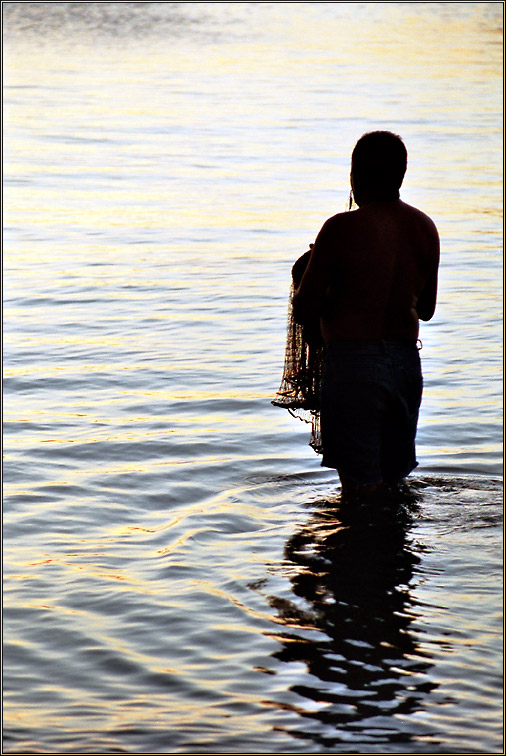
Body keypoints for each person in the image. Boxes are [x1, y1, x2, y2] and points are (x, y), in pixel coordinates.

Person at [293, 131, 440, 499]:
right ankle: (395, 553)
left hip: (354, 365)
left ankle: (357, 551)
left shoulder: (340, 228)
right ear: (401, 175)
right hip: (406, 364)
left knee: (359, 491)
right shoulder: (425, 228)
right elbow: (426, 309)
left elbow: (305, 304)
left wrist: (320, 279)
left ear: (356, 175)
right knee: (392, 485)